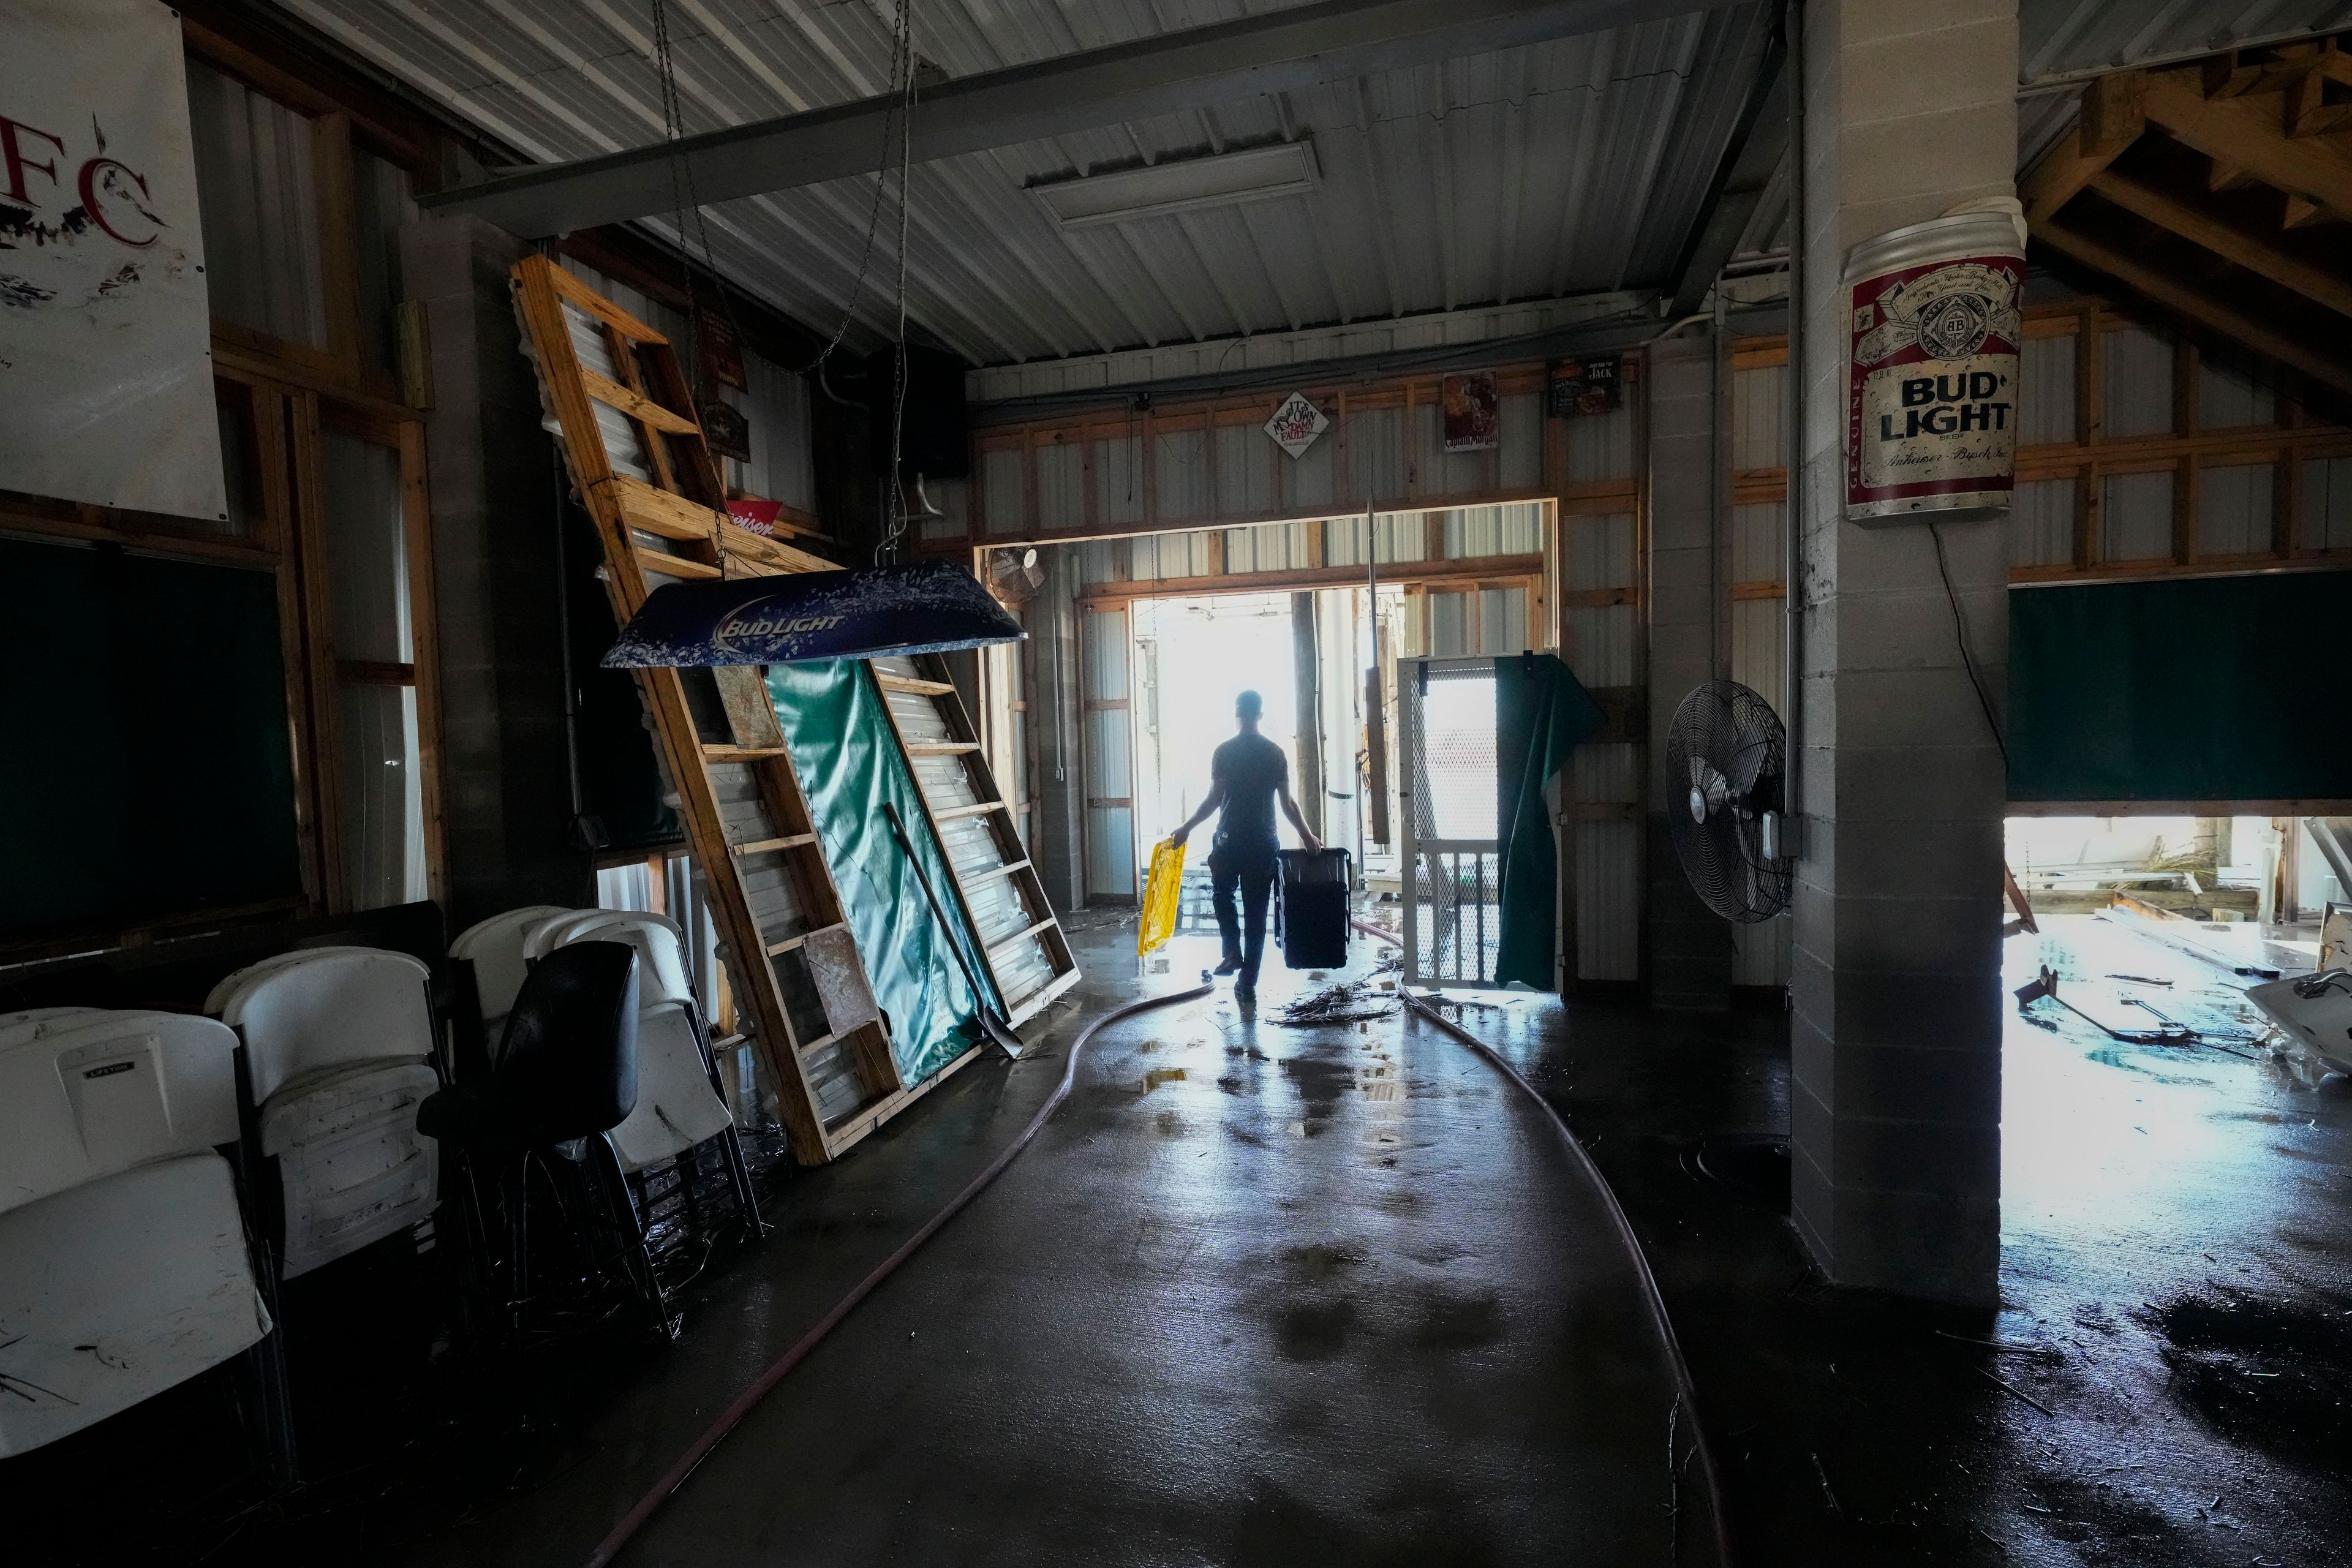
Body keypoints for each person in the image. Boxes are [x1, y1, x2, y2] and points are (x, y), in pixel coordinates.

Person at [1169, 690, 1321, 1000]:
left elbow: (1213, 800)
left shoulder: (1224, 752)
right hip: (1263, 842)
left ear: (1237, 714)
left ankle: (1231, 950)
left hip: (1229, 839)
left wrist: (1186, 828)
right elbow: (1288, 803)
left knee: (1222, 894)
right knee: (1256, 912)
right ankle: (1248, 983)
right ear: (1260, 715)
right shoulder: (1275, 753)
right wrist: (1307, 835)